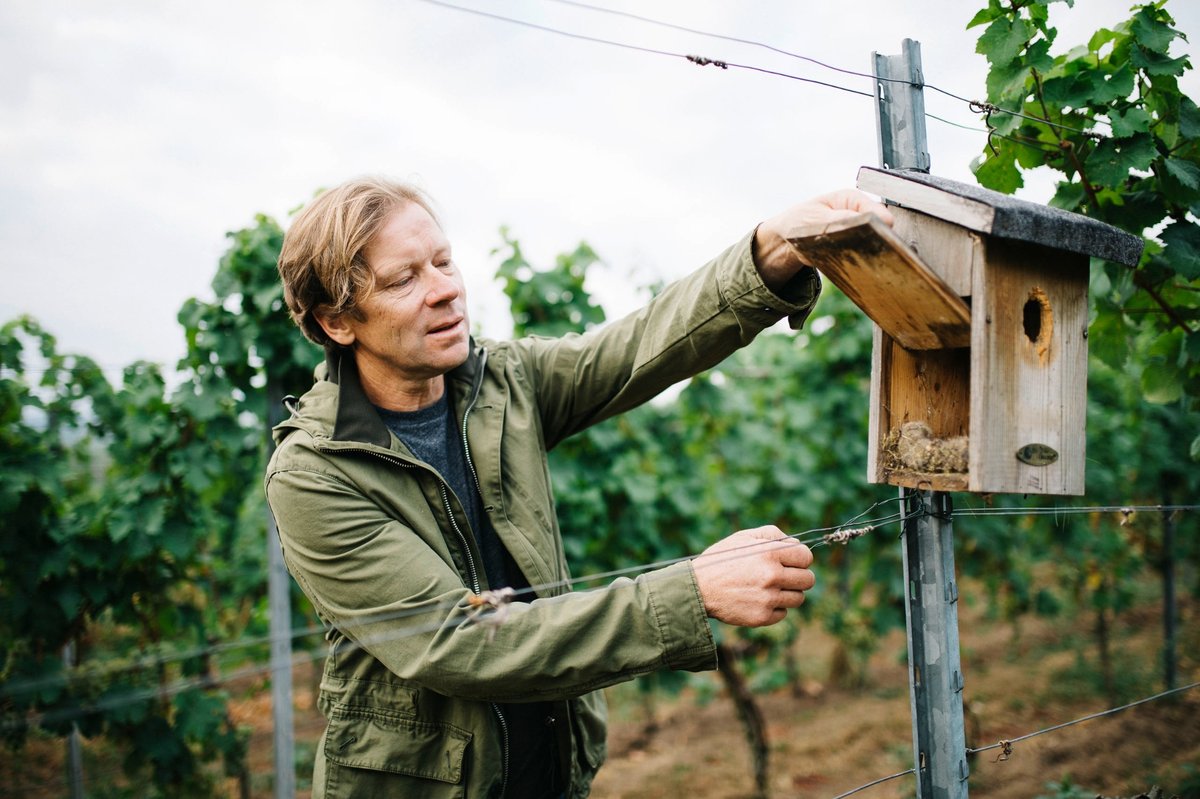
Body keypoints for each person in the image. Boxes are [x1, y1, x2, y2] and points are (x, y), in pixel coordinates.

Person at [265, 176, 893, 799]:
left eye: (444, 262)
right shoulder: (316, 472)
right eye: (405, 279)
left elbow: (639, 347)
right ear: (336, 321)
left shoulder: (502, 383)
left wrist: (774, 249)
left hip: (549, 771)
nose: (446, 290)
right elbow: (459, 645)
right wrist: (691, 591)